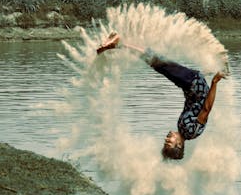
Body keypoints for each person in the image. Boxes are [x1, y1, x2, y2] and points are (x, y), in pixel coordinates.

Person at [97, 32, 226, 160]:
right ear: (179, 144)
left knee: (158, 64)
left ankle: (118, 44)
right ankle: (118, 44)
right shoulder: (191, 132)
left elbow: (193, 105)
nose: (167, 138)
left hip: (189, 85)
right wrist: (214, 82)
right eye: (169, 141)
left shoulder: (182, 129)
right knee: (157, 63)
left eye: (166, 141)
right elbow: (206, 109)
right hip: (192, 83)